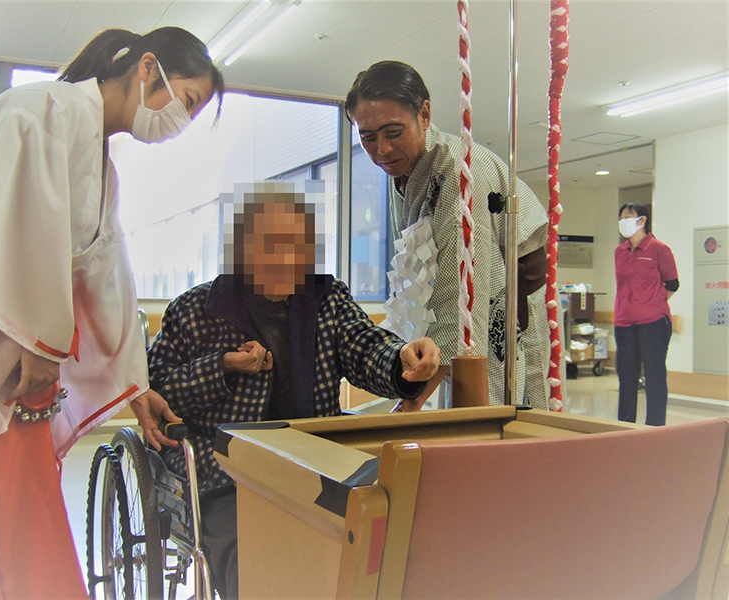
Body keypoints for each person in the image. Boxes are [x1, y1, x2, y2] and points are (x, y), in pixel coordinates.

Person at [0, 27, 223, 599]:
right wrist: (38, 341)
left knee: (27, 546)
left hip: (20, 381)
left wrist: (134, 385)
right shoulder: (39, 113)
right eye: (188, 101)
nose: (182, 120)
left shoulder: (101, 164)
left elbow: (106, 281)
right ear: (148, 68)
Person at [147, 183, 441, 599]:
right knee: (251, 556)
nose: (286, 259)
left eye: (297, 247)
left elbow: (365, 346)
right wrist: (223, 367)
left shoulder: (325, 299)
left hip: (314, 463)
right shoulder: (197, 310)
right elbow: (158, 392)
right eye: (271, 246)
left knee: (372, 535)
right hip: (229, 474)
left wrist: (403, 363)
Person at [344, 61, 565, 410]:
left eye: (393, 132)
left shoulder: (460, 169)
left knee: (499, 404)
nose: (381, 149)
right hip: (463, 290)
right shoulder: (403, 169)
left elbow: (465, 299)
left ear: (425, 114)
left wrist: (411, 402)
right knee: (456, 386)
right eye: (368, 137)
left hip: (506, 289)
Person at [614, 203, 678, 426]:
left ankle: (655, 426)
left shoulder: (658, 249)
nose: (623, 220)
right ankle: (624, 424)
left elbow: (672, 284)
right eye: (621, 217)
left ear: (642, 220)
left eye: (628, 216)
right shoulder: (619, 252)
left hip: (653, 322)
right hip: (624, 321)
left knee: (654, 376)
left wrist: (651, 302)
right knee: (627, 378)